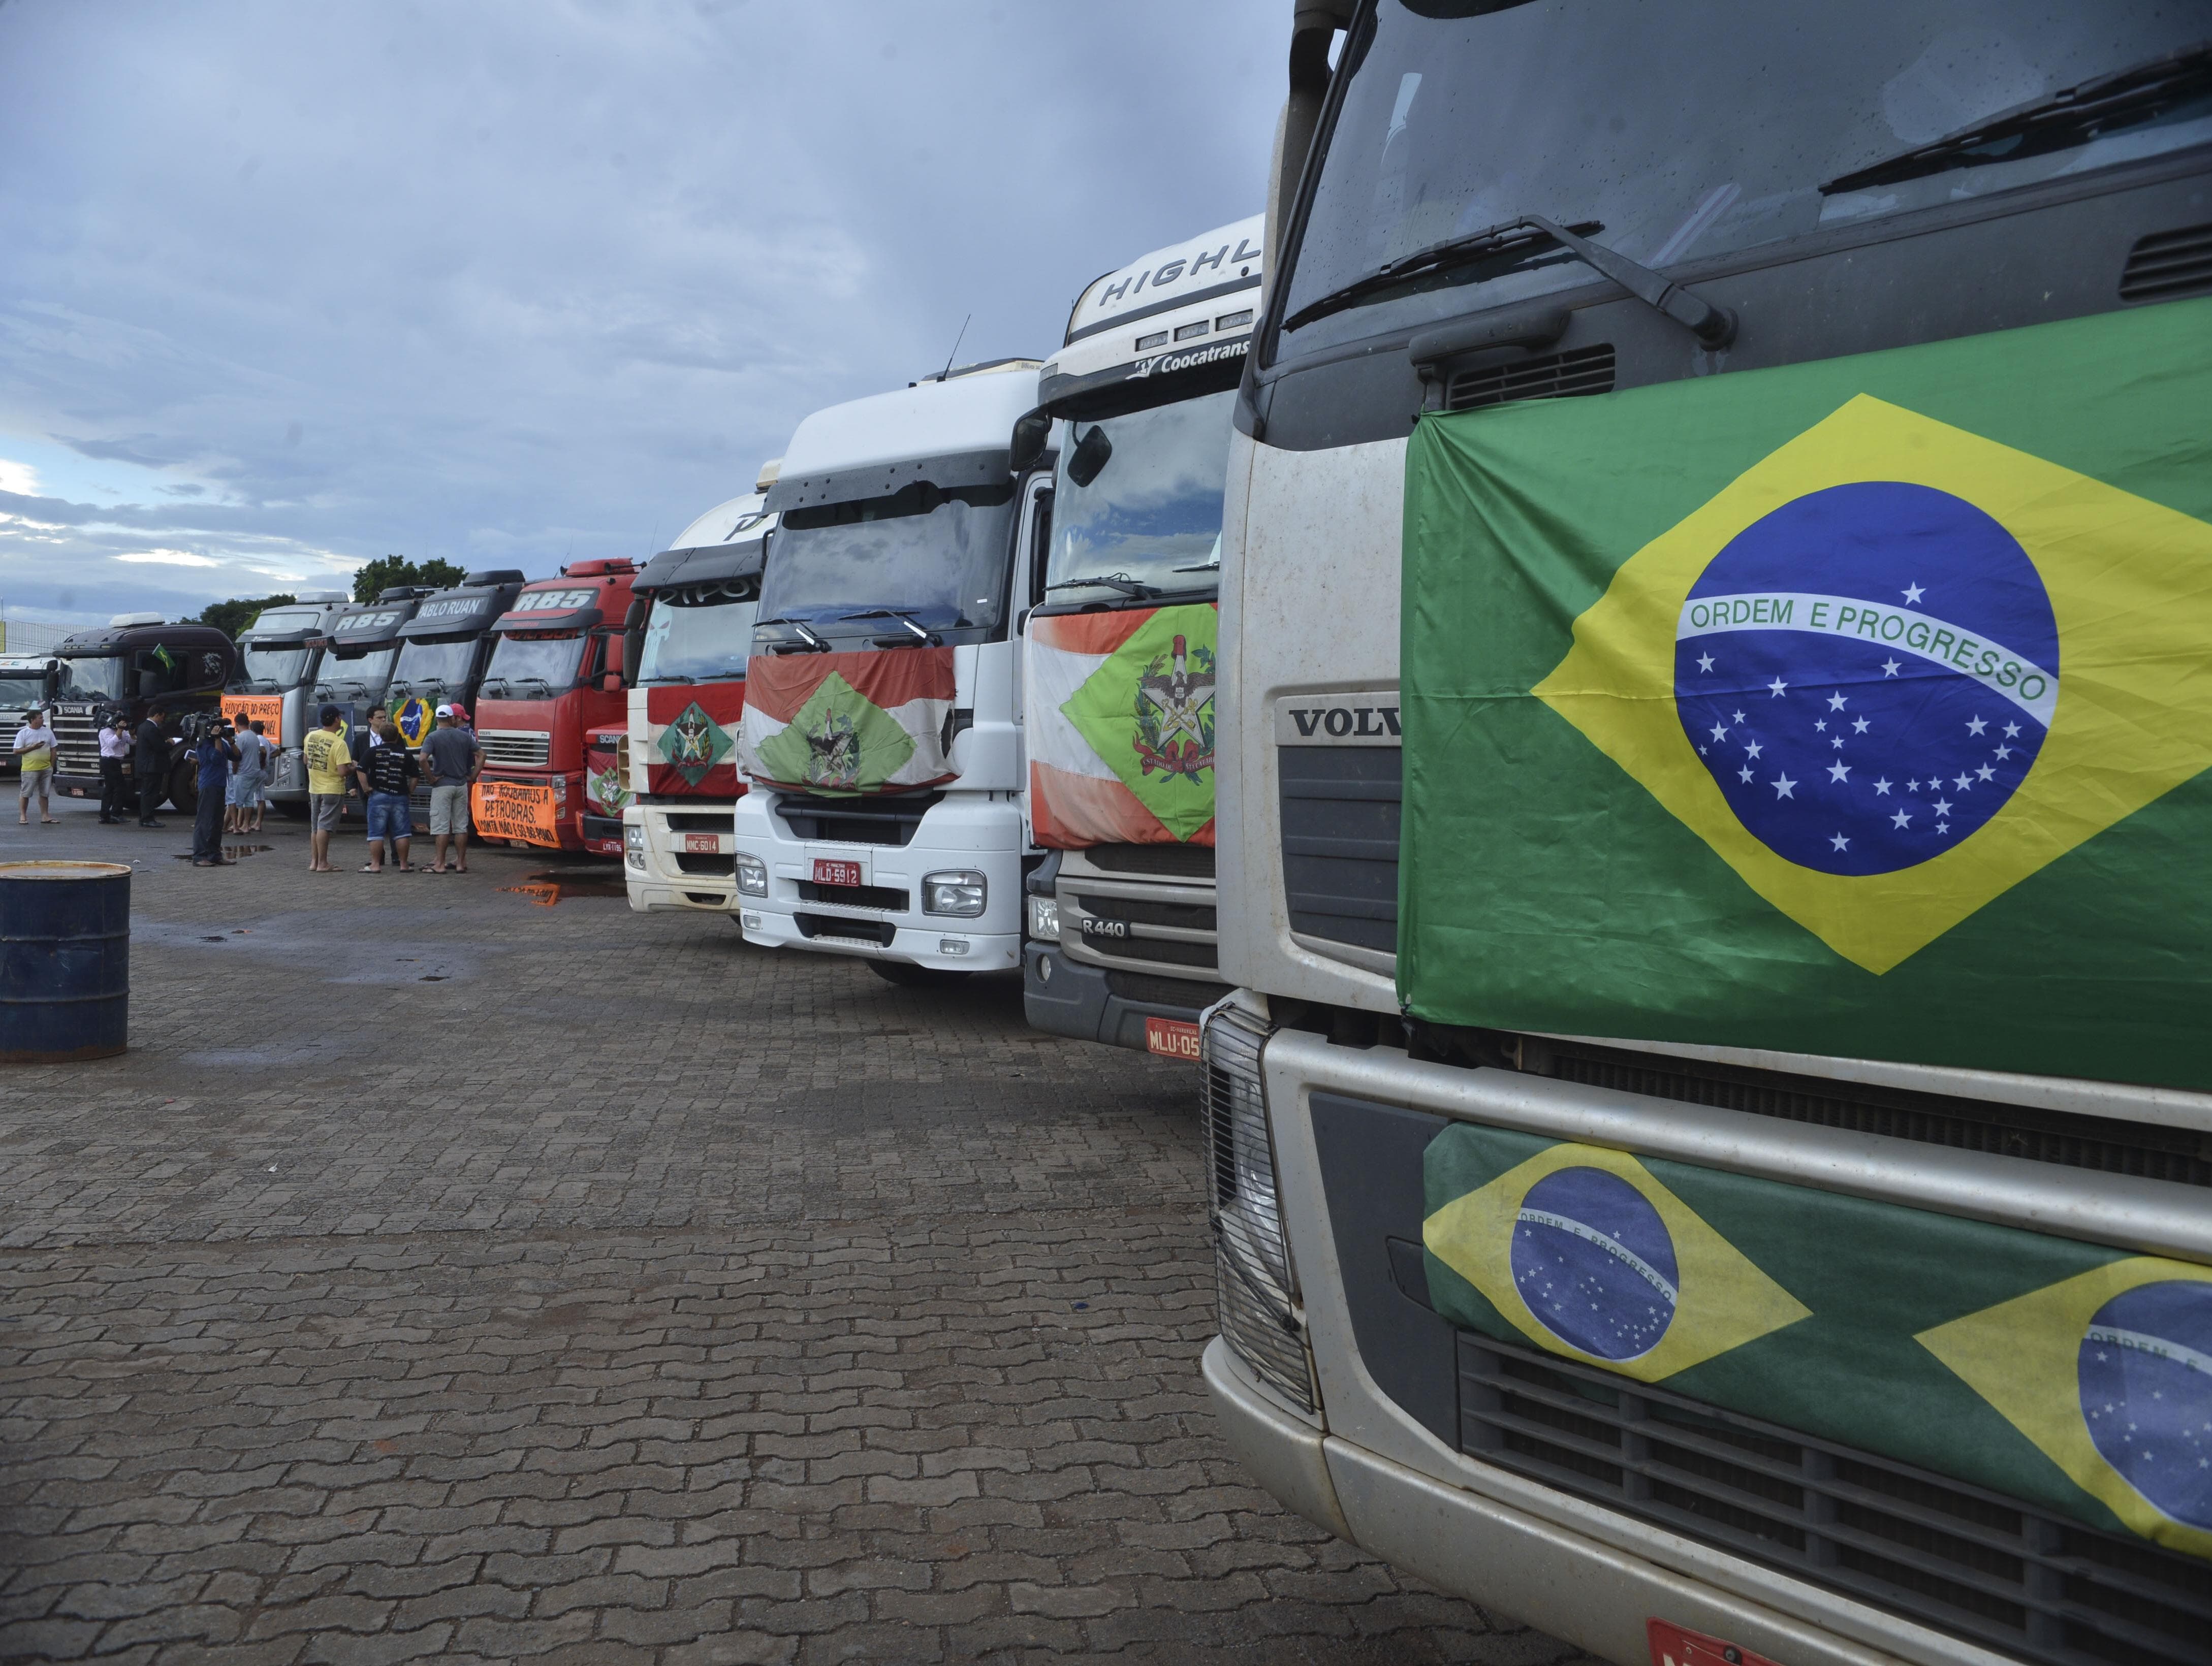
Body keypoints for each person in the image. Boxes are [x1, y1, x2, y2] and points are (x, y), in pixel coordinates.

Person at [419, 703, 483, 874]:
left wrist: (431, 778)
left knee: (441, 826)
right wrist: (474, 775)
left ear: (437, 719)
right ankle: (461, 863)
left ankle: (440, 864)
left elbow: (423, 759)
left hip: (442, 785)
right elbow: (482, 755)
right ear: (451, 718)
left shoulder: (433, 737)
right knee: (461, 826)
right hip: (461, 785)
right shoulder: (463, 736)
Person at [351, 709, 417, 872]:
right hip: (400, 794)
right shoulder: (404, 753)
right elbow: (415, 775)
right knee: (402, 831)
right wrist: (409, 792)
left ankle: (375, 865)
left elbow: (359, 768)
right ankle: (403, 865)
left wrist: (366, 787)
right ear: (396, 737)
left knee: (376, 832)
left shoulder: (372, 752)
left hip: (378, 794)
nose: (382, 719)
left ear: (382, 735)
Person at [301, 704, 353, 873]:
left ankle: (314, 862)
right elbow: (342, 771)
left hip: (314, 787)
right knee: (324, 827)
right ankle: (323, 864)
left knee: (315, 827)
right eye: (340, 717)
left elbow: (305, 760)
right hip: (332, 789)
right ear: (336, 719)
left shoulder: (311, 736)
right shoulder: (339, 743)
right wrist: (353, 767)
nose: (341, 720)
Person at [190, 718, 239, 866]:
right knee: (205, 821)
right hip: (208, 785)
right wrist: (218, 739)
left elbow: (237, 756)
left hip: (220, 785)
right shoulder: (203, 744)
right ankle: (199, 856)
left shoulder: (223, 743)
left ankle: (214, 854)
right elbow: (217, 758)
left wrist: (230, 740)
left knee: (217, 822)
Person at [13, 705, 57, 826]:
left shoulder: (48, 732)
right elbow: (16, 751)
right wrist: (33, 747)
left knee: (45, 793)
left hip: (46, 768)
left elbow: (54, 749)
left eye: (42, 717)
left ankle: (45, 816)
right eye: (40, 717)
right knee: (26, 793)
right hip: (30, 769)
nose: (43, 719)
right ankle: (23, 816)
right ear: (33, 720)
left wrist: (51, 766)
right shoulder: (24, 733)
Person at [227, 715, 271, 835]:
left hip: (243, 773)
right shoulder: (254, 736)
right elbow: (262, 751)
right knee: (249, 801)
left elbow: (237, 756)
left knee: (236, 801)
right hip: (254, 772)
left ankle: (235, 826)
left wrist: (235, 771)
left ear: (236, 724)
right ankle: (246, 825)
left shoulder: (241, 738)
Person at [134, 702, 170, 828]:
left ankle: (144, 817)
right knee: (151, 793)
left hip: (145, 765)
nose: (162, 720)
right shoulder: (152, 729)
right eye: (162, 717)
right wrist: (170, 743)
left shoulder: (142, 727)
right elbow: (159, 747)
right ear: (156, 715)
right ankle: (148, 818)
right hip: (152, 767)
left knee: (146, 793)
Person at [98, 713, 131, 823]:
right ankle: (116, 814)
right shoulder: (105, 731)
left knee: (110, 788)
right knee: (119, 787)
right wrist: (119, 731)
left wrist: (133, 733)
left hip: (116, 762)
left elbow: (133, 742)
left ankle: (105, 815)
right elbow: (111, 744)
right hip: (108, 761)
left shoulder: (123, 732)